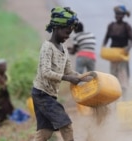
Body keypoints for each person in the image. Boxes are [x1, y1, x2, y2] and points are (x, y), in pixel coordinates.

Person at [31, 7, 81, 141]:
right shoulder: (47, 47)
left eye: (69, 34)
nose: (67, 36)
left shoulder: (63, 49)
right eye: (66, 32)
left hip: (49, 95)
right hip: (42, 94)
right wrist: (67, 78)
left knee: (45, 133)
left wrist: (84, 77)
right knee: (66, 125)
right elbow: (45, 72)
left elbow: (69, 71)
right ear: (57, 28)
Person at [102, 5, 132, 96]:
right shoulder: (111, 26)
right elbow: (106, 38)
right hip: (113, 54)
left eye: (120, 14)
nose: (118, 16)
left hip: (122, 54)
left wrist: (128, 48)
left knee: (123, 75)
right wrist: (103, 47)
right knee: (113, 75)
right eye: (116, 14)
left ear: (124, 15)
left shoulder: (127, 27)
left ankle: (124, 97)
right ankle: (115, 95)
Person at [0, 59, 14, 128]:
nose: (4, 67)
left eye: (5, 66)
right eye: (2, 66)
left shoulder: (7, 76)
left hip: (6, 97)